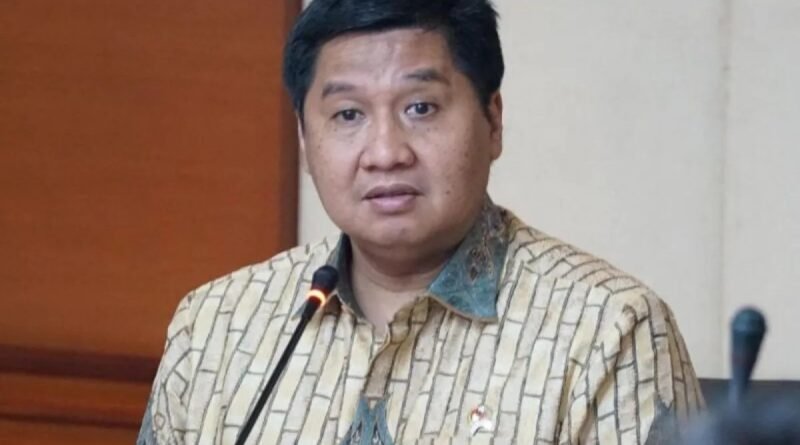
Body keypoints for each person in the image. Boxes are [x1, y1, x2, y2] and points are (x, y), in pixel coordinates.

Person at [137, 0, 703, 443]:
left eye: (420, 108)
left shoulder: (609, 330)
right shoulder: (214, 327)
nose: (386, 152)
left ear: (493, 121)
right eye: (348, 114)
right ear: (305, 141)